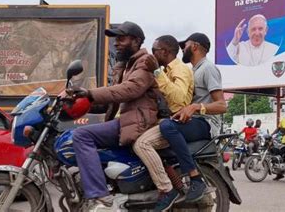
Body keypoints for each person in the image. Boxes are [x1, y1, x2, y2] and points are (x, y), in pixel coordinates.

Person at [69, 21, 159, 212]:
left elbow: (130, 90)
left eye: (121, 38)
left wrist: (90, 93)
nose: (116, 43)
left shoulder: (144, 63)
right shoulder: (125, 66)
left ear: (136, 41)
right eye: (115, 39)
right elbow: (111, 100)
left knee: (81, 135)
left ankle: (99, 196)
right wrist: (78, 103)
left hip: (137, 121)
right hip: (125, 119)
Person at [159, 33, 227, 204]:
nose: (182, 49)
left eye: (185, 45)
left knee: (167, 127)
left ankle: (196, 179)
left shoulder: (207, 68)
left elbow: (222, 105)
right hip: (193, 121)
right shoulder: (191, 71)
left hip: (206, 123)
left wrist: (197, 107)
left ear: (195, 46)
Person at [132, 35, 194, 211]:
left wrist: (157, 73)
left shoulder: (180, 69)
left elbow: (180, 99)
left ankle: (166, 190)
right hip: (165, 120)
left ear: (165, 52)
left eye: (154, 51)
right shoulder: (165, 70)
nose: (151, 55)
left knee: (142, 144)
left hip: (177, 122)